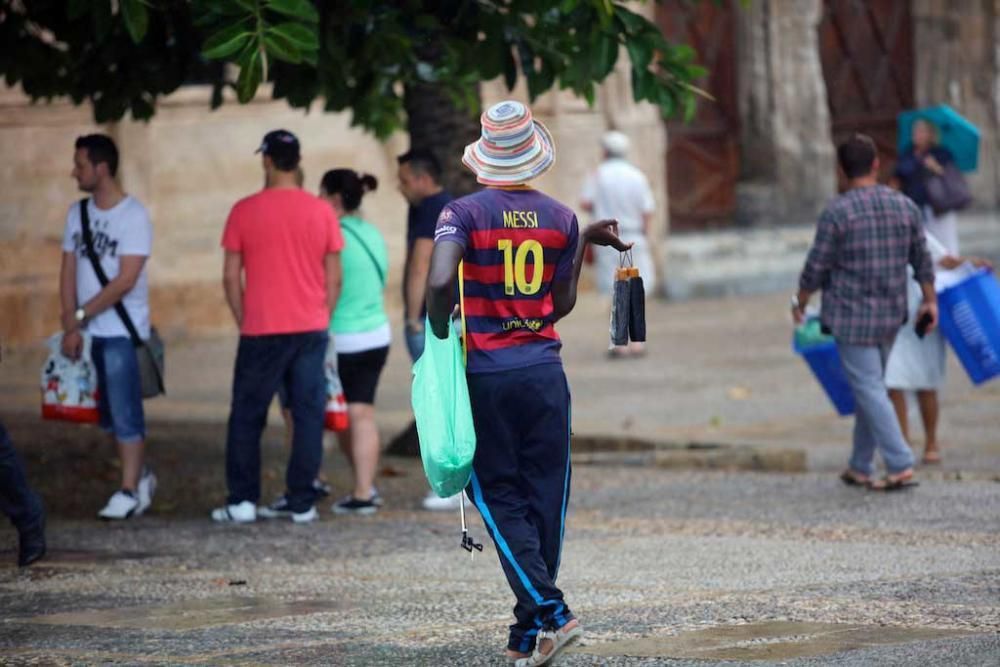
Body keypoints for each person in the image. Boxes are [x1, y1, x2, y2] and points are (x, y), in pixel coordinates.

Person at [426, 100, 630, 667]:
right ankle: (528, 632)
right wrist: (580, 241)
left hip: (488, 374)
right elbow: (558, 305)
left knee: (496, 494)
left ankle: (553, 613)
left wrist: (440, 333)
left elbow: (442, 278)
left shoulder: (461, 213)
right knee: (546, 497)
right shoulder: (563, 218)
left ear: (484, 155)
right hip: (545, 372)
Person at [213, 129, 343, 524]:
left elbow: (231, 276)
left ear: (267, 160)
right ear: (297, 161)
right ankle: (302, 501)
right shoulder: (321, 211)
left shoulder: (243, 210)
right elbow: (333, 276)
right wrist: (323, 315)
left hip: (260, 329)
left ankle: (242, 501)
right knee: (306, 415)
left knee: (247, 415)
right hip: (309, 328)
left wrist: (243, 316)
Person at [793, 133, 936, 491]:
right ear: (876, 164)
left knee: (870, 388)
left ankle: (900, 461)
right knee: (869, 388)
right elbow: (922, 260)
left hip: (850, 316)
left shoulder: (837, 212)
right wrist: (930, 301)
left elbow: (817, 266)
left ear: (841, 170)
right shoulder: (905, 206)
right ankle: (859, 465)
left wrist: (802, 300)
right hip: (891, 313)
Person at [59, 134, 157, 520]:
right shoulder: (76, 213)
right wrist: (70, 322)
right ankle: (141, 477)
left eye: (80, 164)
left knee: (125, 411)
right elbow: (68, 268)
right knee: (106, 416)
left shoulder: (133, 216)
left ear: (101, 168)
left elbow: (125, 279)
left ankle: (130, 489)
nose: (74, 171)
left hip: (120, 331)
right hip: (87, 331)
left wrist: (81, 315)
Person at [396, 148, 467, 512]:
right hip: (449, 318)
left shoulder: (432, 209)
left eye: (404, 180)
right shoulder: (445, 206)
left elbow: (423, 265)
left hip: (433, 321)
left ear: (424, 179)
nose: (399, 187)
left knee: (441, 405)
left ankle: (456, 485)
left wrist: (412, 316)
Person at [318, 169, 391, 515]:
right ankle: (365, 490)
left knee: (338, 414)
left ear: (333, 198)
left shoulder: (330, 236)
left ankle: (322, 482)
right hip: (376, 333)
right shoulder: (372, 233)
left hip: (341, 336)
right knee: (362, 412)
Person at [885, 231, 992, 464]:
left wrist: (972, 263)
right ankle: (901, 444)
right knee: (893, 383)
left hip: (922, 312)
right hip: (893, 314)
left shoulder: (912, 227)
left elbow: (945, 259)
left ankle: (930, 441)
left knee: (925, 381)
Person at [580, 130, 656, 357]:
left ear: (604, 151)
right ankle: (637, 342)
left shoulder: (598, 175)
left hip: (609, 239)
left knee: (616, 291)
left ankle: (620, 342)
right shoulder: (637, 176)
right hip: (635, 237)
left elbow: (585, 203)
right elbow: (647, 211)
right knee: (635, 289)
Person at [895, 119, 960, 254]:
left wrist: (935, 166)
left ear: (930, 134)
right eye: (915, 131)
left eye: (921, 131)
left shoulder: (941, 152)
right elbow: (900, 173)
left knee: (945, 244)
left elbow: (949, 176)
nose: (917, 135)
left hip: (939, 206)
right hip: (916, 205)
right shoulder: (907, 154)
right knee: (924, 245)